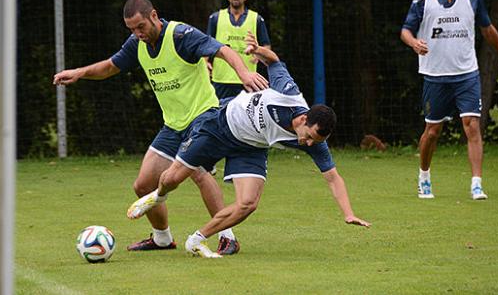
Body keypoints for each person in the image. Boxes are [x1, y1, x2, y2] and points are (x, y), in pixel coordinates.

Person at [53, 0, 268, 254]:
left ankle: (227, 237)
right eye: (131, 29)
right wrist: (79, 72)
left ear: (154, 16)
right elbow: (111, 66)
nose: (137, 34)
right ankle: (162, 238)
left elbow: (223, 50)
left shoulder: (180, 35)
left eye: (140, 26)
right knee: (143, 186)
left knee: (197, 171)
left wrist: (244, 73)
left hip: (203, 116)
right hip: (173, 124)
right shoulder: (137, 43)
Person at [127, 32, 370, 258]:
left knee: (248, 204)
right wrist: (259, 50)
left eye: (313, 142)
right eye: (308, 136)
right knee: (171, 179)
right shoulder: (289, 93)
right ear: (304, 118)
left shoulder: (314, 143)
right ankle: (157, 197)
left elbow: (333, 178)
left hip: (250, 146)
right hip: (220, 125)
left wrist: (348, 213)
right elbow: (275, 62)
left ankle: (197, 239)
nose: (307, 143)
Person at [400, 0, 498, 200]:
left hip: (466, 74)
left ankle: (476, 184)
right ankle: (424, 176)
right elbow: (406, 31)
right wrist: (413, 43)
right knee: (432, 132)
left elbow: (488, 30)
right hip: (434, 75)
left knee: (472, 125)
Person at [207, 0, 272, 99]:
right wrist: (205, 63)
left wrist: (258, 53)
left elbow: (266, 45)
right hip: (221, 80)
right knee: (221, 116)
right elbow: (206, 44)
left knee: (247, 117)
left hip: (248, 79)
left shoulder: (256, 19)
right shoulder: (215, 18)